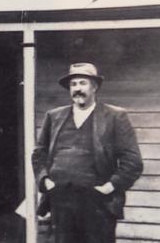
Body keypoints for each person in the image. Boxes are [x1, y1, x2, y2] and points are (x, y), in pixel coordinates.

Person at [32, 63, 144, 243]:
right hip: (61, 201)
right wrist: (46, 182)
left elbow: (133, 161)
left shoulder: (115, 116)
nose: (77, 89)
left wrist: (109, 187)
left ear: (95, 87)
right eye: (73, 84)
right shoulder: (53, 116)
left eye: (83, 83)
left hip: (97, 202)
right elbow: (39, 154)